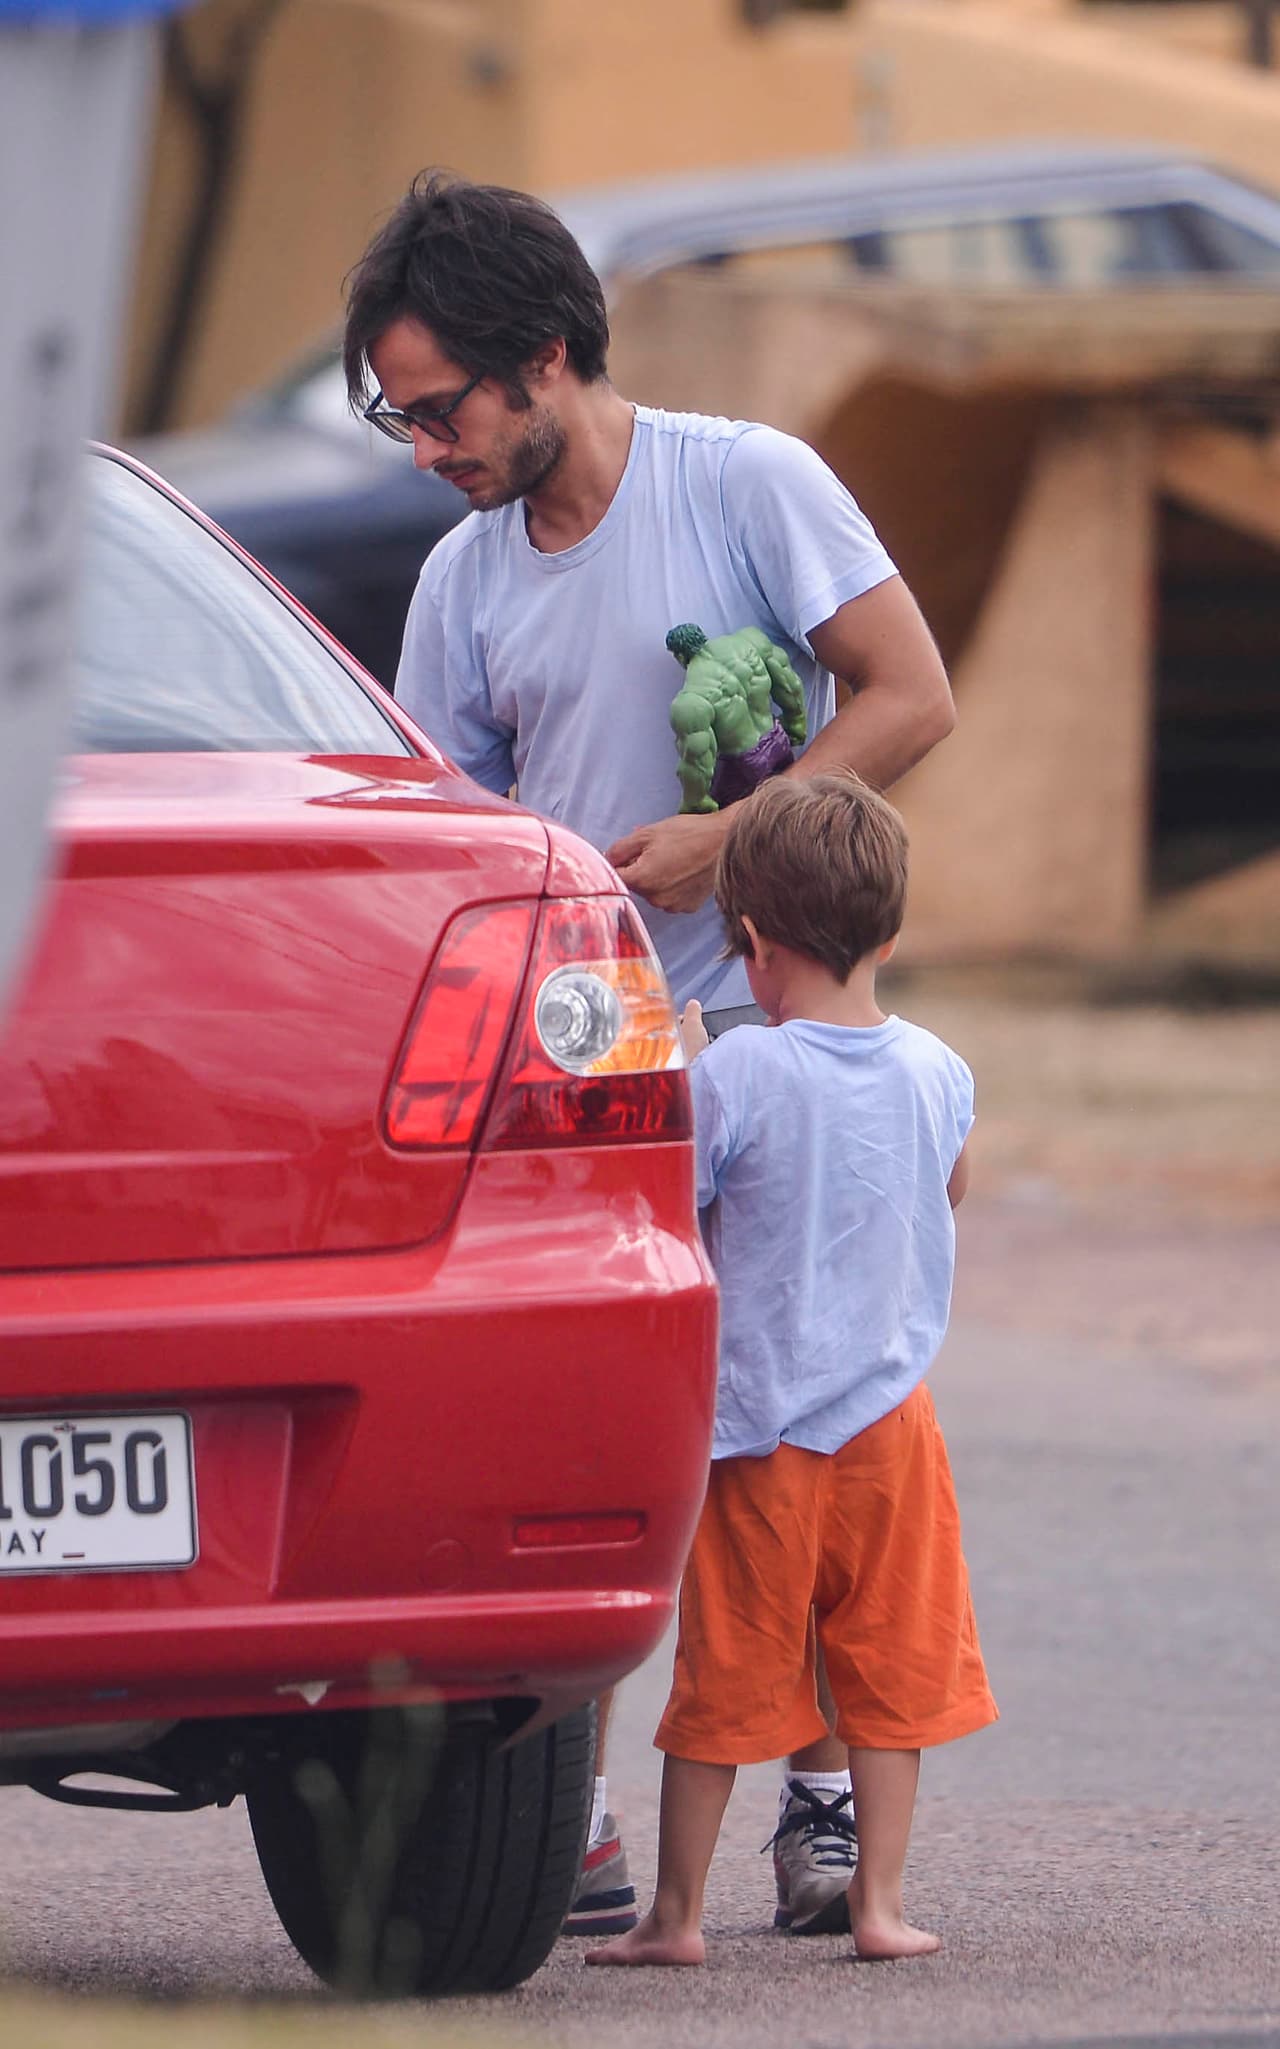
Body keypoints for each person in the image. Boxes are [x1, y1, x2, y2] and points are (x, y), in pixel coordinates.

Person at [342, 170, 957, 1938]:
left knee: (826, 1413)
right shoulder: (462, 582)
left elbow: (908, 692)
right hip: (589, 1065)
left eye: (442, 408)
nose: (424, 449)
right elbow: (443, 830)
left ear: (545, 360)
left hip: (781, 1028)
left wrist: (740, 842)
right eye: (399, 416)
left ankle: (828, 1807)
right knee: (601, 1433)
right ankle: (576, 1816)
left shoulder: (744, 478)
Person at [587, 771, 997, 1967]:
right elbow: (949, 1186)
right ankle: (874, 1906)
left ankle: (675, 1916)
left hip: (758, 1431)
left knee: (726, 1674)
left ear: (750, 946)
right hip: (893, 1426)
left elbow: (677, 1209)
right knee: (886, 1667)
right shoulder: (938, 1069)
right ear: (888, 927)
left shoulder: (736, 1076)